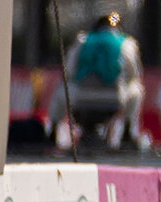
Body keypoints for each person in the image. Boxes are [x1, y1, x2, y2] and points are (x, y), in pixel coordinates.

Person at [58, 12, 145, 151]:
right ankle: (127, 133)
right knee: (136, 88)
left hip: (81, 97)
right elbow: (134, 74)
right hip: (113, 98)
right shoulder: (126, 42)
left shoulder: (83, 40)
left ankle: (52, 132)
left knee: (62, 89)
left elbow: (69, 71)